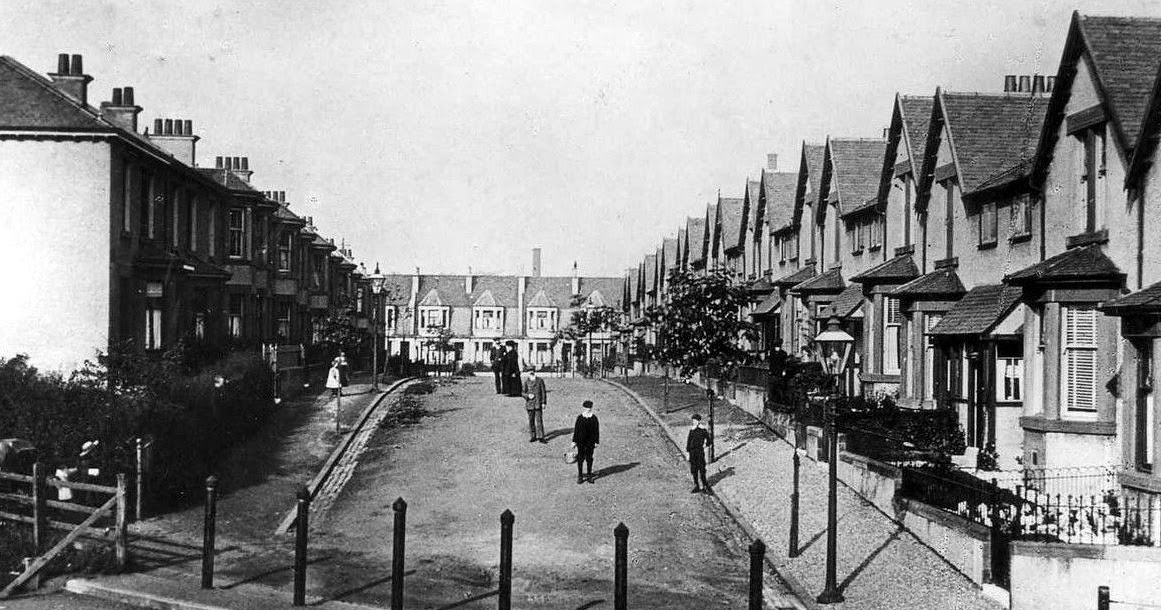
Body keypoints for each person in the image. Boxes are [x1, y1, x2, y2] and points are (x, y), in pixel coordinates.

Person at [571, 400, 600, 484]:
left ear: (591, 408)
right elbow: (576, 430)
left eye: (589, 408)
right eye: (586, 408)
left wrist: (596, 441)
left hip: (590, 442)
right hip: (581, 441)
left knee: (589, 458)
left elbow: (596, 430)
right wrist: (574, 441)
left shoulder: (594, 418)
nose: (588, 409)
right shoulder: (580, 418)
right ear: (583, 408)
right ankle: (580, 475)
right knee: (580, 458)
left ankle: (589, 475)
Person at [686, 413, 712, 493]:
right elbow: (688, 442)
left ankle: (704, 486)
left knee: (701, 469)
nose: (694, 422)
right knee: (694, 469)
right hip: (692, 452)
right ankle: (696, 485)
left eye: (695, 420)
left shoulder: (703, 430)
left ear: (698, 421)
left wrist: (705, 445)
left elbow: (709, 440)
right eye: (693, 420)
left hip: (700, 452)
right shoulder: (692, 430)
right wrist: (688, 453)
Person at [523, 368, 548, 442]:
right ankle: (533, 436)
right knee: (531, 421)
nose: (531, 373)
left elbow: (543, 392)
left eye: (532, 371)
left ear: (535, 372)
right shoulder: (526, 381)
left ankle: (541, 436)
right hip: (530, 404)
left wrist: (543, 403)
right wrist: (527, 396)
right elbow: (522, 392)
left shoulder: (540, 381)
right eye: (530, 372)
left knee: (539, 420)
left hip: (538, 404)